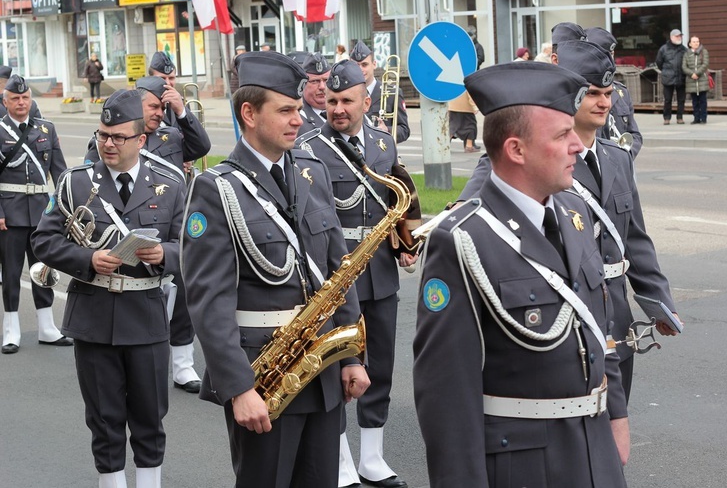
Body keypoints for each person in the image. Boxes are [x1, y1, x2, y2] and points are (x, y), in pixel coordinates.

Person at [413, 61, 629, 488]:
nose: (577, 147)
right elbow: (446, 395)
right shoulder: (463, 240)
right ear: (516, 150)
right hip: (525, 466)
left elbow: (596, 325)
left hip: (594, 448)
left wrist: (616, 414)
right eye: (562, 135)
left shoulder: (574, 211)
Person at [181, 51, 370, 487]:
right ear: (249, 113)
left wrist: (350, 357)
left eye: (299, 109)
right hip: (262, 377)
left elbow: (337, 274)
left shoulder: (311, 171)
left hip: (319, 375)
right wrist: (238, 388)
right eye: (285, 110)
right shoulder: (217, 189)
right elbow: (209, 302)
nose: (299, 120)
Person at [31, 89, 185, 487]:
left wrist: (164, 254)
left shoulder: (170, 182)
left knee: (150, 415)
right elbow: (44, 241)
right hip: (94, 313)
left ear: (141, 139)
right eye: (103, 135)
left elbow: (197, 247)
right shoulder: (75, 182)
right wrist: (87, 260)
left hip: (146, 313)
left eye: (118, 137)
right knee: (103, 415)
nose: (108, 144)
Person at [294, 59, 417, 488]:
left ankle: (372, 457)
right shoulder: (309, 147)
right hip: (335, 272)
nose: (338, 108)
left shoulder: (383, 144)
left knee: (379, 362)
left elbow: (394, 198)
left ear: (366, 101)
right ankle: (341, 462)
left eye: (347, 100)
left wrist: (404, 243)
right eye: (331, 100)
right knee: (337, 367)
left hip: (378, 269)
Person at [556, 39, 680, 401]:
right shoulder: (546, 161)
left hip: (618, 320)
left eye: (608, 93)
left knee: (617, 420)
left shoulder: (617, 157)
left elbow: (635, 240)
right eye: (593, 93)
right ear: (569, 94)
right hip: (570, 320)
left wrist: (659, 302)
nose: (605, 103)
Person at [84, 76, 209, 394]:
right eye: (154, 106)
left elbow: (201, 147)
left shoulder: (170, 135)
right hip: (123, 232)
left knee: (182, 296)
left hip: (168, 228)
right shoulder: (111, 139)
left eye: (163, 106)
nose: (159, 112)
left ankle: (182, 364)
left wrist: (181, 112)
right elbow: (92, 184)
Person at [0, 75, 70, 354]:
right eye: (15, 98)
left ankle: (47, 327)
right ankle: (11, 330)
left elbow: (60, 173)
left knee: (43, 270)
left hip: (42, 212)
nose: (21, 102)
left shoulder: (46, 128)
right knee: (12, 271)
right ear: (5, 102)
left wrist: (66, 209)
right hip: (10, 213)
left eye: (25, 97)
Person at [586, 26, 644, 157]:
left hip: (621, 164)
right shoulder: (579, 91)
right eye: (603, 55)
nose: (609, 60)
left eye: (611, 54)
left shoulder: (621, 91)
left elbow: (634, 134)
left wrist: (625, 157)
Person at [147, 51, 213, 155]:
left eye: (172, 78)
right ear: (150, 78)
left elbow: (195, 141)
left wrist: (181, 111)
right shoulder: (143, 104)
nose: (168, 83)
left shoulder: (180, 103)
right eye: (162, 78)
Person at [350, 40, 411, 144]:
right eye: (356, 65)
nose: (360, 70)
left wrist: (387, 130)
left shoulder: (391, 92)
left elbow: (404, 130)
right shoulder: (346, 93)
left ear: (374, 64)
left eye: (364, 65)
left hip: (383, 154)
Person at [655, 29, 687, 125]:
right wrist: (665, 71)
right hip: (668, 78)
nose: (679, 38)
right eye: (677, 36)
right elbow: (659, 62)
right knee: (668, 99)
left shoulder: (684, 49)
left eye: (680, 36)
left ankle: (680, 117)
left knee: (681, 100)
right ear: (671, 37)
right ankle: (667, 118)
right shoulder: (663, 49)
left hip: (681, 77)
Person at [298, 52, 331, 135]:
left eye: (326, 80)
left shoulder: (341, 110)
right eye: (314, 81)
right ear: (303, 84)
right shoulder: (298, 119)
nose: (322, 87)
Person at [682, 35, 710, 125]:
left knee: (703, 101)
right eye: (694, 42)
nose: (696, 43)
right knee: (694, 101)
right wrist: (691, 74)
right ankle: (696, 118)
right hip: (691, 81)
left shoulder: (704, 52)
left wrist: (697, 73)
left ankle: (703, 118)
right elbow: (684, 66)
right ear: (690, 44)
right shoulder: (686, 53)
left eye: (697, 41)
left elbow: (705, 64)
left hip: (702, 79)